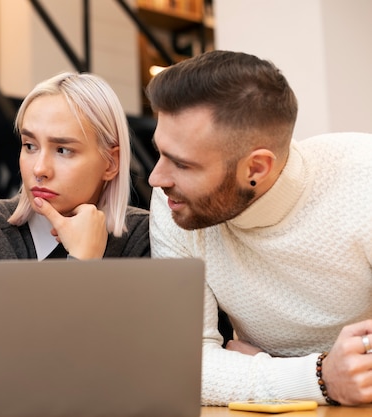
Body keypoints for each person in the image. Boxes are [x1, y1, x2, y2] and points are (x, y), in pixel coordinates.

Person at [146, 49, 372, 406]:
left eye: (182, 164)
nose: (156, 178)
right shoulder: (174, 203)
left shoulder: (364, 178)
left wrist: (261, 372)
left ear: (255, 169)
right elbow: (182, 365)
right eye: (159, 152)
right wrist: (318, 376)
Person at [0, 72, 149, 260]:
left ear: (111, 163)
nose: (39, 169)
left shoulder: (143, 237)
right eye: (30, 146)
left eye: (63, 150)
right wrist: (82, 264)